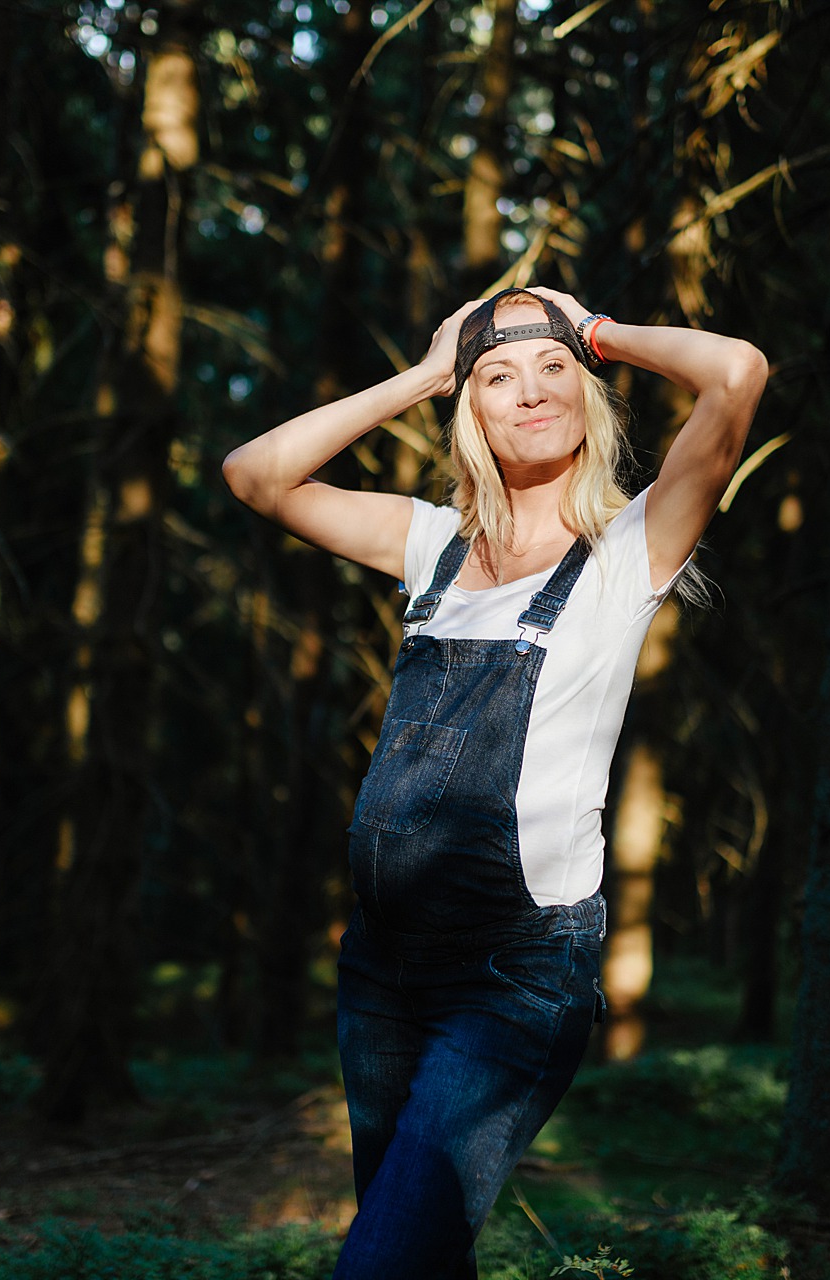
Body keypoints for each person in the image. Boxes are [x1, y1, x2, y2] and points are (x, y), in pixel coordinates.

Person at [222, 286, 767, 1279]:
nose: (531, 390)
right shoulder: (432, 544)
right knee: (422, 1256)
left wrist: (593, 330)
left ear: (588, 394)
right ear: (471, 410)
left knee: (382, 1265)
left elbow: (737, 372)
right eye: (499, 376)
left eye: (554, 368)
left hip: (516, 972)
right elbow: (255, 474)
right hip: (381, 966)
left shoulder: (630, 551)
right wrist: (428, 371)